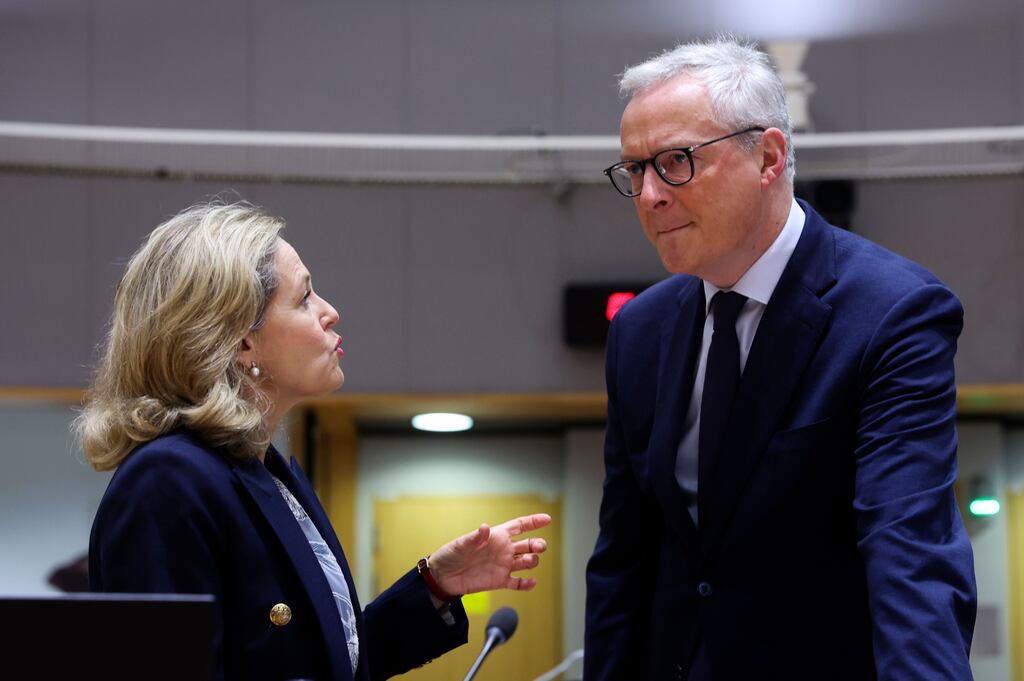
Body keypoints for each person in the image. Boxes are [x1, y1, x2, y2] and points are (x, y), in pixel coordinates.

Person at [584, 38, 976, 681]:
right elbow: (624, 564)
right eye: (634, 170)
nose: (650, 194)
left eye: (675, 161)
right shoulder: (640, 331)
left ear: (767, 156)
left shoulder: (891, 313)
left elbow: (909, 552)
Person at [80, 201, 551, 681]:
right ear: (241, 340)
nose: (330, 312)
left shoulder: (268, 474)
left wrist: (434, 584)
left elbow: (330, 663)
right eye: (304, 298)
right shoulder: (167, 482)